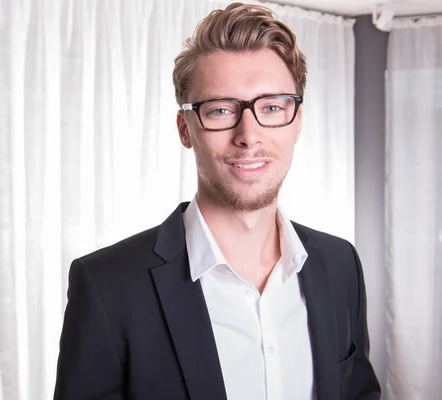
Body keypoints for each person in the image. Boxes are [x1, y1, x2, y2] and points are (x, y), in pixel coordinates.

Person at [54, 3, 380, 399]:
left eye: (272, 107)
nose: (249, 135)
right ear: (185, 128)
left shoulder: (340, 265)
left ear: (297, 122)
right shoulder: (107, 287)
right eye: (222, 109)